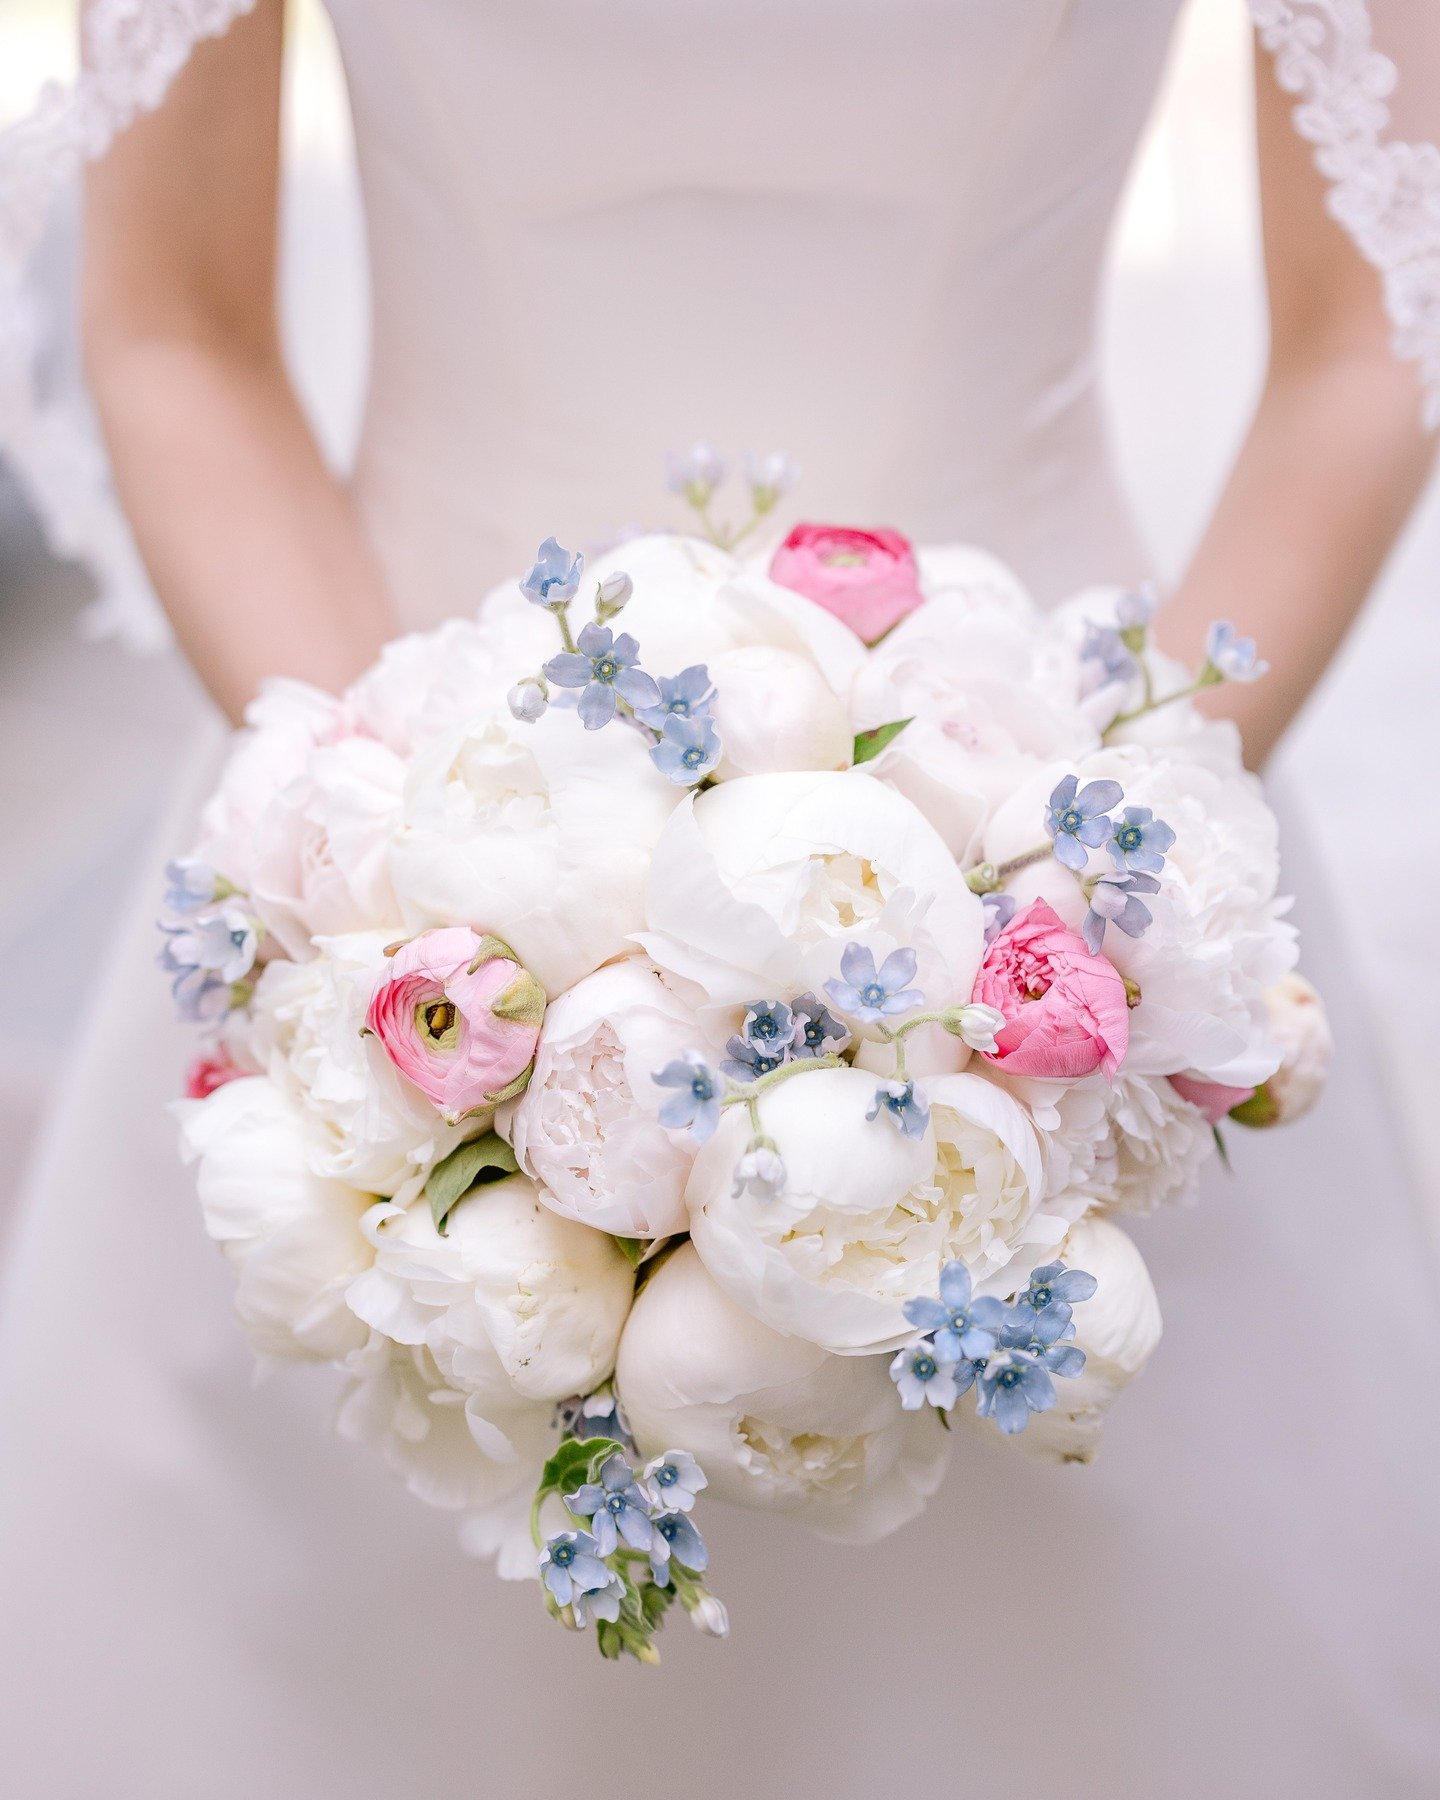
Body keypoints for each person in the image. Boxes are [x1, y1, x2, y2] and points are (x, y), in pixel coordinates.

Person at [1, 2, 1437, 1794]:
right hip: (409, 828)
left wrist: (1086, 879)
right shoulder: (400, 879)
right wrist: (395, 881)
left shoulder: (1076, 886)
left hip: (1054, 849)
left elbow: (1374, 318)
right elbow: (178, 329)